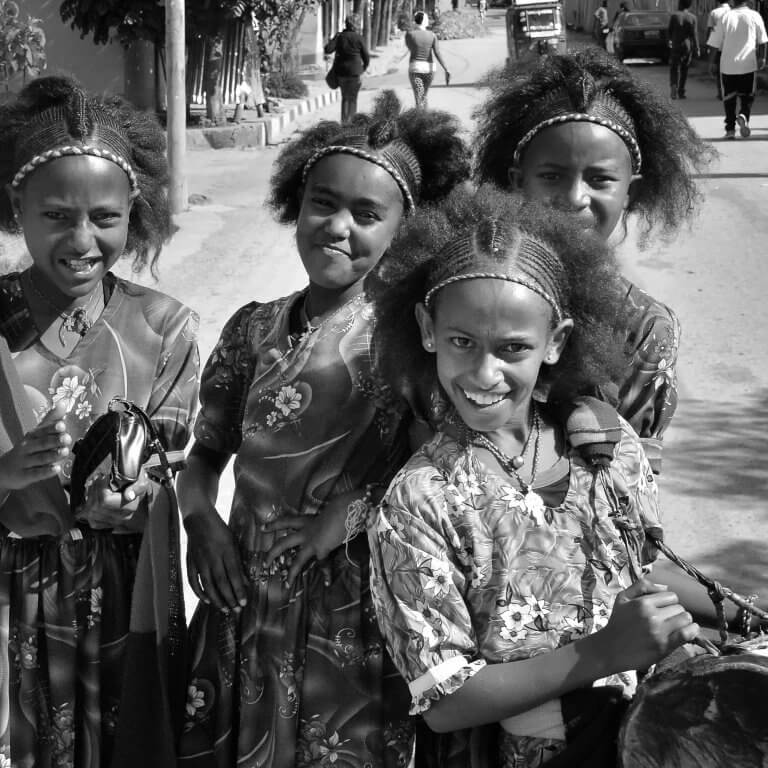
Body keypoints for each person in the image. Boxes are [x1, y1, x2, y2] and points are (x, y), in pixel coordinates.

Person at [176, 93, 471, 768]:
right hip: (242, 602)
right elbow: (205, 457)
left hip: (351, 613)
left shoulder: (411, 343)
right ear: (295, 203)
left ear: (406, 229)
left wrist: (350, 513)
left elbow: (443, 464)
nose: (338, 227)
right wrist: (203, 523)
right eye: (323, 203)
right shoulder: (251, 328)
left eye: (367, 215)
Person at [366, 186, 699, 768]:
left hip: (638, 739)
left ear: (557, 342)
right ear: (426, 329)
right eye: (461, 342)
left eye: (513, 347)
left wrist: (738, 607)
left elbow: (640, 567)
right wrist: (602, 653)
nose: (485, 371)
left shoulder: (606, 445)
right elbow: (444, 699)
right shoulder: (418, 501)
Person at [0, 76, 199, 768]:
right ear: (15, 207)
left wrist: (135, 497)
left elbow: (170, 472)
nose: (83, 239)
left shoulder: (163, 328)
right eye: (56, 216)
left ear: (132, 212)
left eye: (105, 218)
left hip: (120, 600)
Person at [474, 49, 712, 475]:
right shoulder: (467, 292)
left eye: (600, 179)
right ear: (516, 182)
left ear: (631, 193)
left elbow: (633, 486)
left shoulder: (646, 329)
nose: (574, 198)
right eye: (551, 176)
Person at [708, 0, 767, 139]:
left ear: (733, 1)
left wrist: (711, 62)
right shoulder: (755, 16)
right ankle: (743, 115)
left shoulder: (725, 17)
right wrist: (762, 58)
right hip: (748, 65)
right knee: (747, 97)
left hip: (728, 66)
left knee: (729, 99)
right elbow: (763, 40)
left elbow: (714, 43)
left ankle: (730, 130)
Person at [324, 14, 369, 123]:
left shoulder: (340, 37)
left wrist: (335, 37)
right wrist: (363, 68)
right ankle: (351, 123)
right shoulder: (359, 38)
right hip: (355, 73)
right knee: (353, 98)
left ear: (346, 24)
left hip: (342, 73)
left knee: (345, 97)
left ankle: (344, 123)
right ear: (356, 25)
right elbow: (366, 57)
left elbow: (328, 49)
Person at [405, 12, 451, 109]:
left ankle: (420, 119)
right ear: (425, 21)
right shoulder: (432, 35)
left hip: (415, 69)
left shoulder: (409, 35)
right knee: (423, 96)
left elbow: (410, 47)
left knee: (419, 98)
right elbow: (437, 53)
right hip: (429, 71)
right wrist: (446, 68)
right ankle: (425, 118)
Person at [668, 0, 700, 99]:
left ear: (679, 4)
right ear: (689, 5)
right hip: (687, 46)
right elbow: (694, 34)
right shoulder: (693, 17)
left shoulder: (674, 16)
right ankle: (681, 91)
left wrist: (669, 41)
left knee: (674, 68)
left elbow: (669, 31)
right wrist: (697, 48)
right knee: (684, 69)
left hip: (676, 45)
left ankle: (674, 87)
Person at [707, 0, 733, 98]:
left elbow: (710, 30)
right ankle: (730, 90)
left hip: (718, 46)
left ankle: (720, 91)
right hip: (731, 46)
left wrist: (708, 45)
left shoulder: (714, 12)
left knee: (719, 70)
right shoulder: (732, 11)